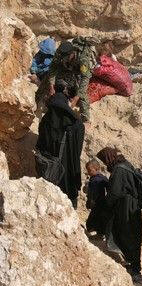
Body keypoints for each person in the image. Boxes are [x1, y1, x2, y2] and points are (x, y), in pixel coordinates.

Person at [35, 80, 85, 208]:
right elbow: (77, 151)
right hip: (67, 169)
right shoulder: (75, 122)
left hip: (49, 169)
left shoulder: (46, 118)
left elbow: (40, 144)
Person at [97, 147, 142, 282]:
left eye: (105, 160)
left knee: (127, 234)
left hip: (125, 206)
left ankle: (134, 270)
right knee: (132, 235)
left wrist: (106, 203)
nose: (105, 164)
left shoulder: (118, 170)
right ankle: (133, 266)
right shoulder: (126, 164)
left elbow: (115, 192)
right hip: (132, 205)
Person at [44, 39, 94, 122]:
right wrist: (51, 86)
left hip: (78, 72)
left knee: (82, 94)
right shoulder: (60, 53)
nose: (63, 58)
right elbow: (53, 68)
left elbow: (85, 78)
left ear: (72, 54)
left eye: (65, 57)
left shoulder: (82, 59)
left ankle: (86, 118)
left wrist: (76, 97)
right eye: (62, 57)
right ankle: (40, 100)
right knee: (48, 80)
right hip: (65, 68)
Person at [83, 159, 118, 252]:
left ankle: (100, 234)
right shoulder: (94, 178)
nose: (88, 172)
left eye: (90, 170)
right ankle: (97, 233)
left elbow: (109, 187)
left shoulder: (101, 179)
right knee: (94, 219)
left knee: (97, 219)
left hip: (100, 203)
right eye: (88, 170)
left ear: (97, 169)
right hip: (95, 203)